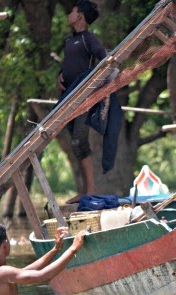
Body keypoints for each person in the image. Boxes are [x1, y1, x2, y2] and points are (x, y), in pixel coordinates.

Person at [0, 222, 87, 295]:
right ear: (6, 244)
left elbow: (26, 271)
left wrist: (56, 249)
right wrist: (73, 248)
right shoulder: (2, 273)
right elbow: (43, 276)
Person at [57, 0, 107, 204]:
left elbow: (105, 59)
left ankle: (91, 190)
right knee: (77, 144)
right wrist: (59, 76)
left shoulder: (89, 39)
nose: (69, 14)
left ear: (79, 16)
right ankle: (85, 191)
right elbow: (67, 65)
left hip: (83, 98)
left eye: (72, 11)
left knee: (79, 139)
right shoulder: (70, 41)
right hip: (67, 98)